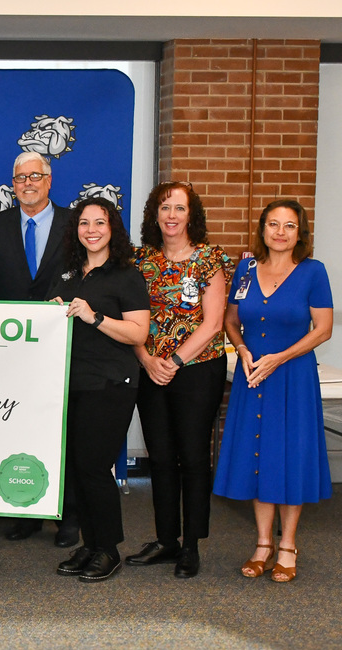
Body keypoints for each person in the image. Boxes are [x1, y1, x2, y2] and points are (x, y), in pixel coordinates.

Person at [214, 200, 333, 583]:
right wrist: (245, 349)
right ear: (262, 229)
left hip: (292, 377)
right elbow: (231, 320)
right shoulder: (246, 270)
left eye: (289, 226)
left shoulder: (313, 272)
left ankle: (288, 545)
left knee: (291, 457)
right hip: (254, 377)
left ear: (301, 233)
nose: (280, 232)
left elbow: (323, 329)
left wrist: (278, 358)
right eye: (273, 224)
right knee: (258, 455)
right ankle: (263, 543)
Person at [127, 181, 233, 579]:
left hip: (197, 370)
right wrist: (145, 358)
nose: (171, 215)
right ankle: (166, 540)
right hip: (149, 366)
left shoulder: (209, 258)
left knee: (192, 457)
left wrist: (171, 361)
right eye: (164, 207)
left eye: (179, 208)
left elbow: (213, 323)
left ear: (192, 215)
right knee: (160, 457)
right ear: (154, 214)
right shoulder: (139, 261)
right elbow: (130, 320)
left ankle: (191, 546)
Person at [48, 197, 149, 582]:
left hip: (110, 384)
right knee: (78, 467)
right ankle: (90, 545)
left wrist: (95, 316)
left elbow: (138, 332)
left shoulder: (126, 274)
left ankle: (108, 549)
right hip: (71, 382)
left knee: (94, 467)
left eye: (100, 223)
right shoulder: (70, 273)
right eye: (84, 223)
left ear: (113, 229)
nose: (91, 230)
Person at [0, 150, 79, 547]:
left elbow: (84, 276)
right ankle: (26, 509)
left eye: (36, 176)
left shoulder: (75, 223)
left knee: (66, 430)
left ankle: (70, 517)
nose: (28, 183)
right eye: (21, 178)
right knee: (19, 427)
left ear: (50, 180)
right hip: (14, 349)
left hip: (66, 342)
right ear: (13, 184)